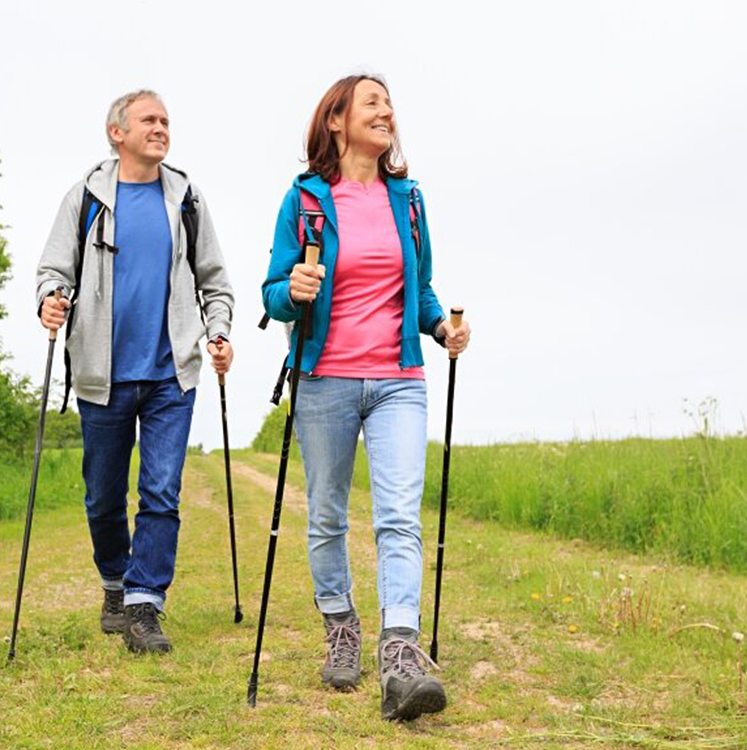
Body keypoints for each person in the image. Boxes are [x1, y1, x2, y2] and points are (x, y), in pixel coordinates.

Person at [261, 74, 471, 720]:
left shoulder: (408, 200)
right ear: (336, 121)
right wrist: (291, 286)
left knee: (398, 516)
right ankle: (341, 627)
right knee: (326, 513)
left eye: (389, 104)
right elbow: (272, 294)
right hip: (324, 379)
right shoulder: (305, 201)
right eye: (371, 102)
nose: (386, 111)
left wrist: (442, 328)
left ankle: (400, 654)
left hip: (398, 381)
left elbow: (423, 288)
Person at [35, 90, 234, 654]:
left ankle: (145, 605)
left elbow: (214, 280)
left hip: (173, 371)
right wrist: (51, 297)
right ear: (116, 132)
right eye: (149, 120)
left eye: (166, 120)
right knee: (102, 496)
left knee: (161, 491)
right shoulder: (86, 198)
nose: (161, 128)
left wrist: (217, 331)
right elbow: (53, 270)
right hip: (102, 372)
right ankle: (115, 583)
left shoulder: (186, 199)